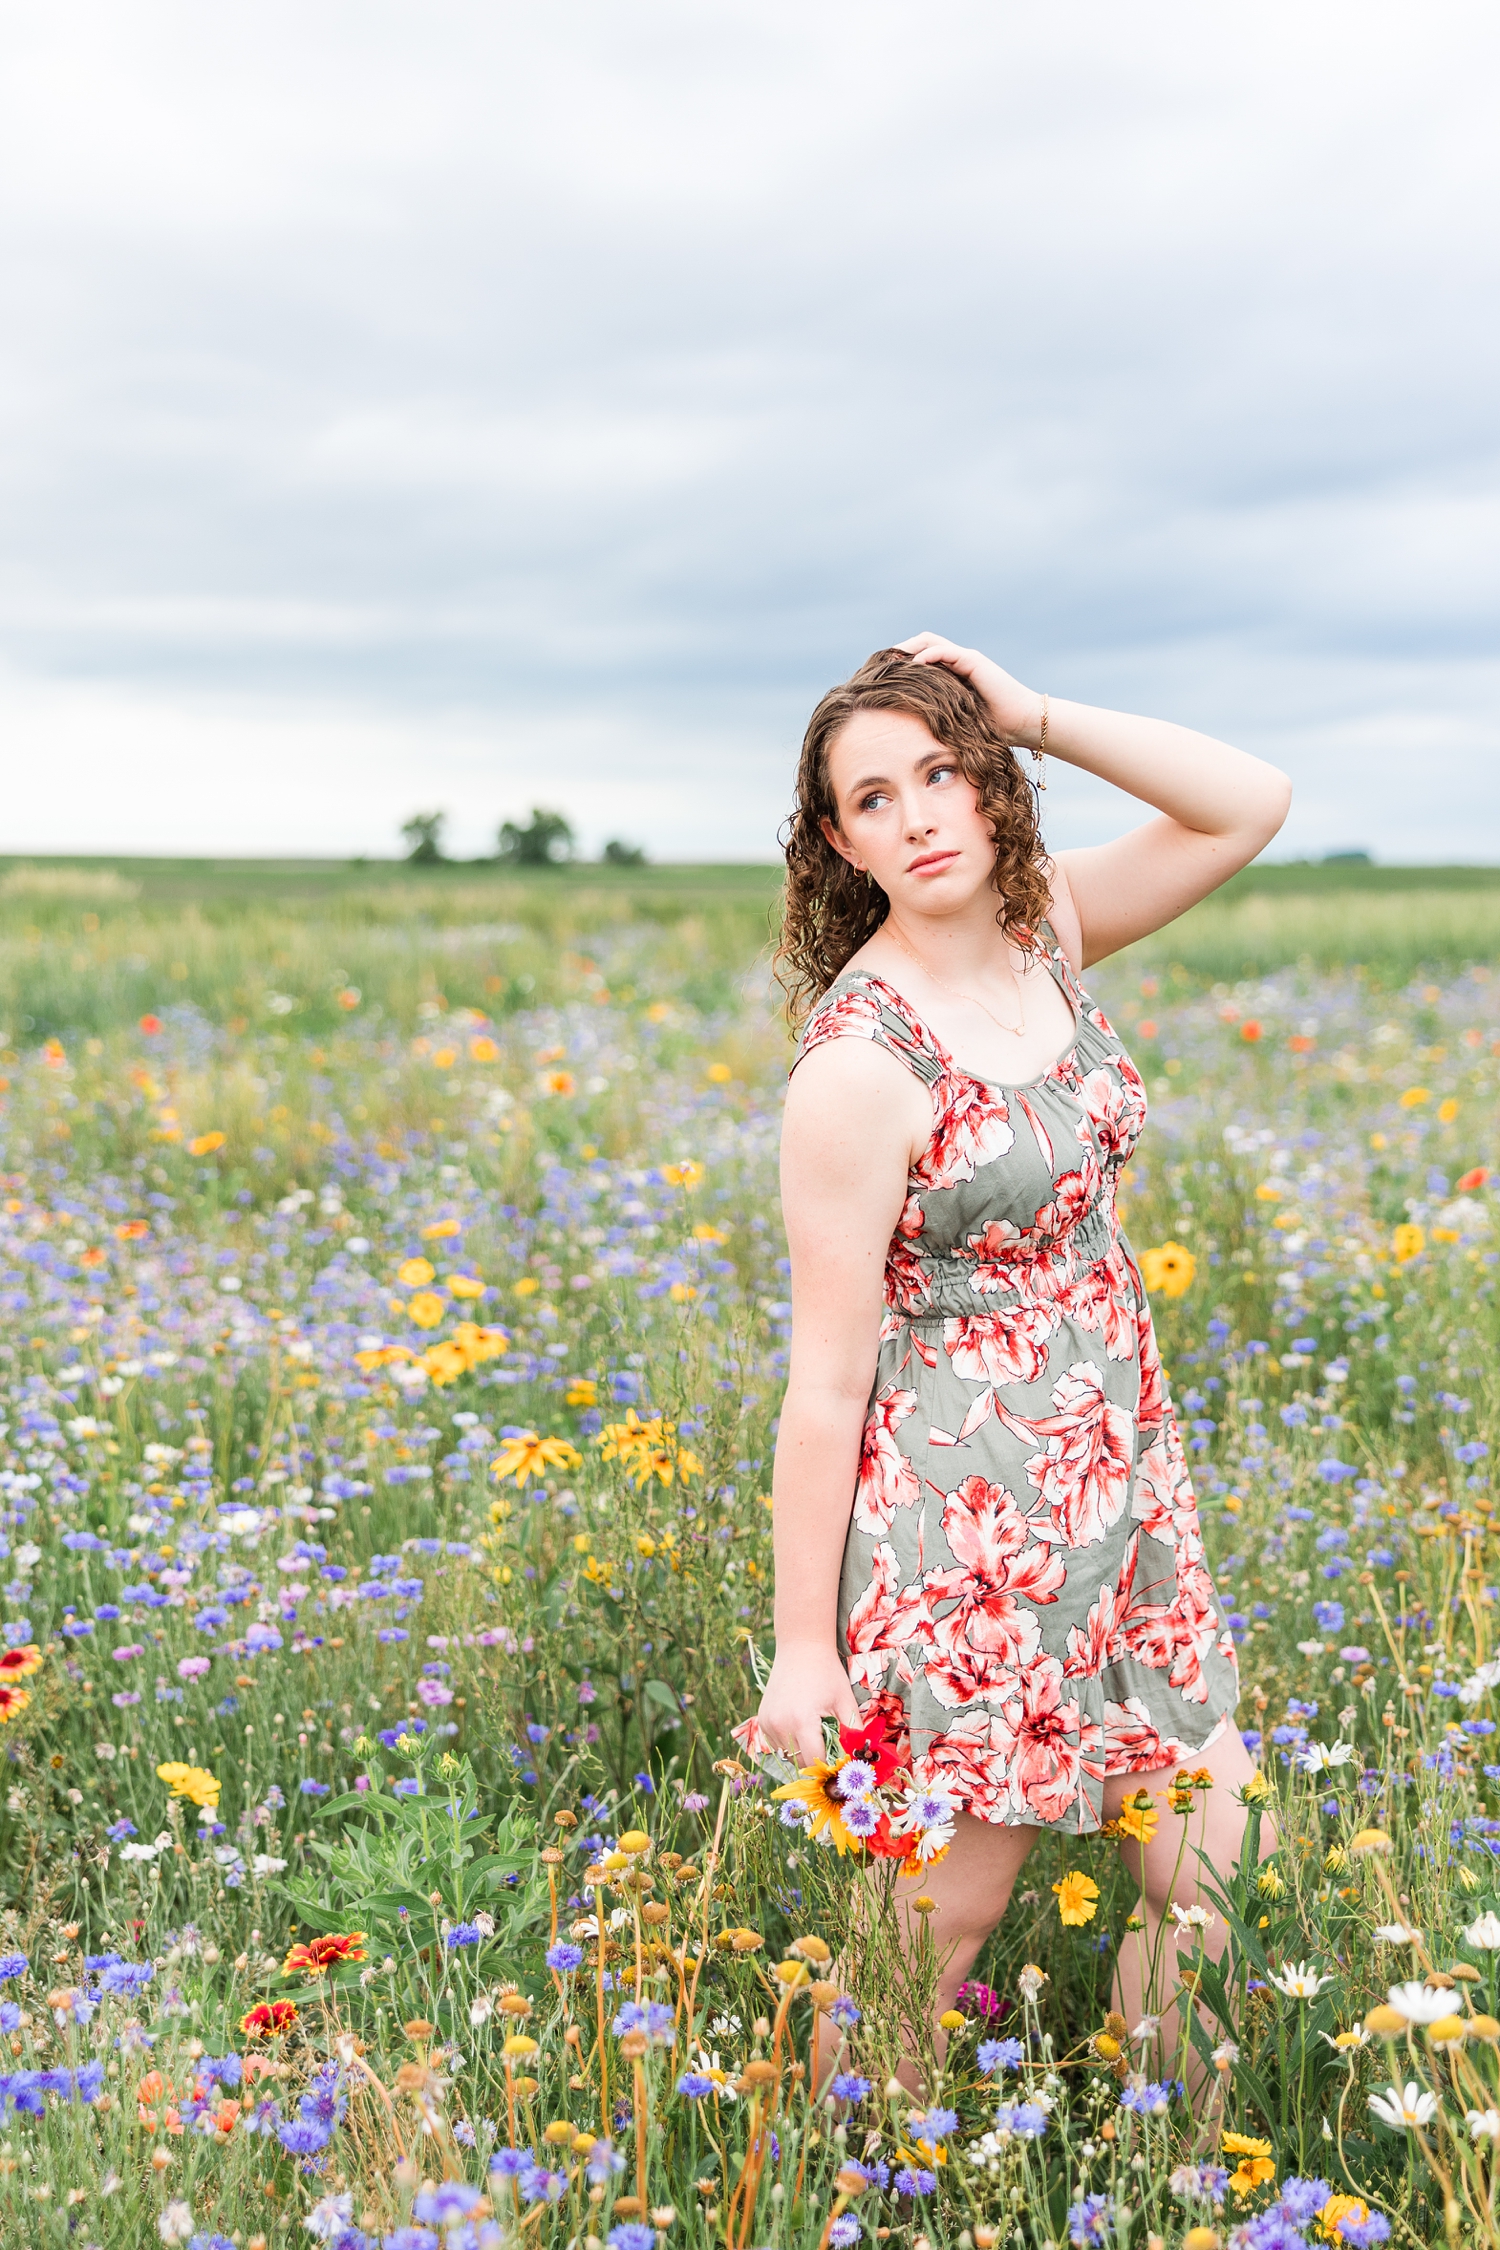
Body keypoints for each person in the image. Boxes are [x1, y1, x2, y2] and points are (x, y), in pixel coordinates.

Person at [750, 633, 1290, 2033]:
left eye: (942, 770)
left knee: (1216, 1863)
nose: (919, 814)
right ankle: (854, 2181)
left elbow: (1249, 801)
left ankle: (1176, 2158)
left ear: (993, 781)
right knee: (940, 1920)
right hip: (969, 1537)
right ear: (839, 839)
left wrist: (1036, 708)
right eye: (874, 797)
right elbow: (823, 1384)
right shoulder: (863, 1061)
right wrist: (802, 1650)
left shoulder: (1046, 927)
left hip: (1123, 1504)